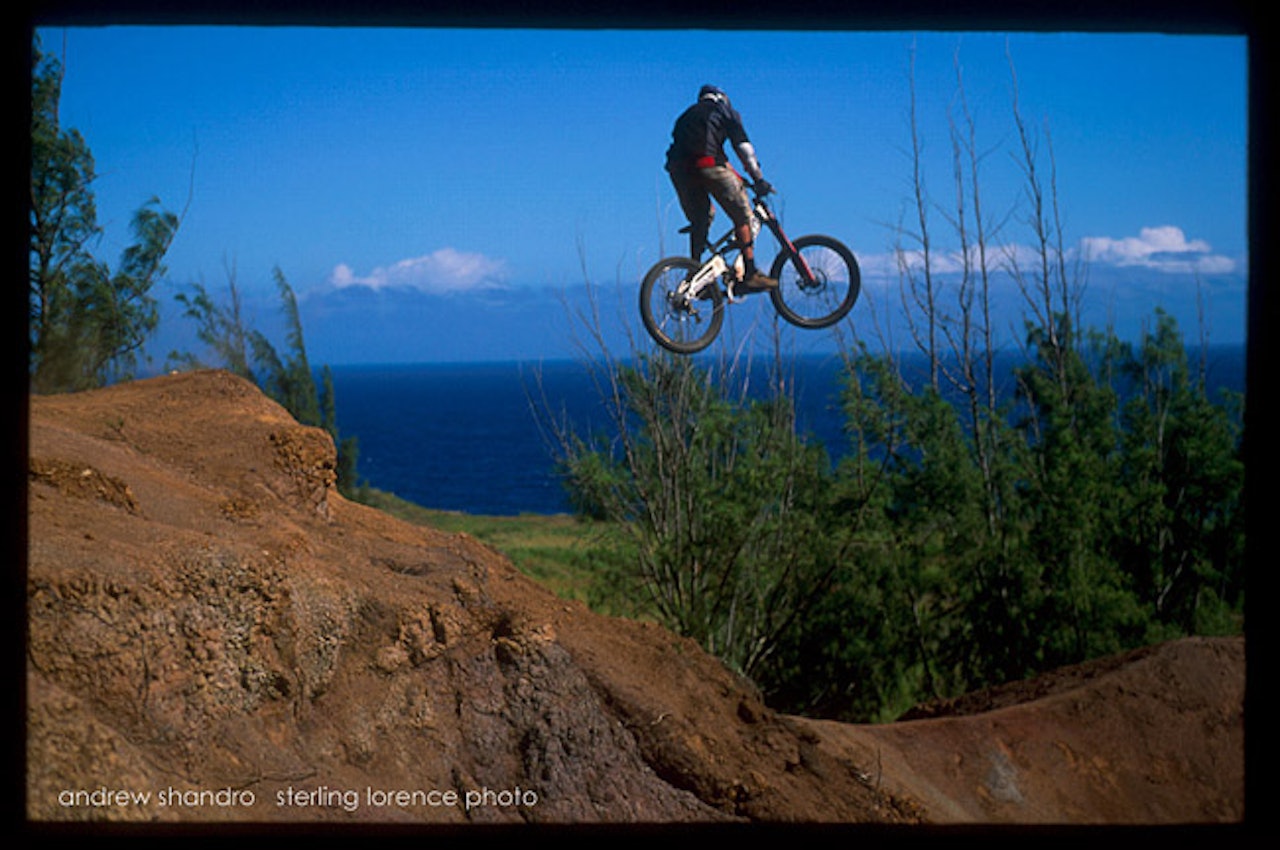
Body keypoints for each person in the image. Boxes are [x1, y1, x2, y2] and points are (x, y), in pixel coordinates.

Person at [665, 84, 777, 291]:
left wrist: (737, 177)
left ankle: (695, 272)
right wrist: (758, 179)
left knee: (702, 217)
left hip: (679, 170)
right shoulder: (725, 113)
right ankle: (751, 274)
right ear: (722, 98)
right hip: (707, 166)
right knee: (742, 216)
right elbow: (744, 150)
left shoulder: (685, 117)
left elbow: (711, 154)